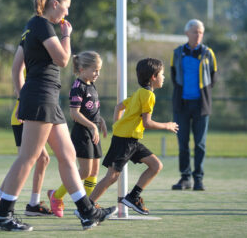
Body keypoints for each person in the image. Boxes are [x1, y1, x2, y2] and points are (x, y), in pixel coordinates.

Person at [0, 0, 115, 232]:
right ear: (55, 4)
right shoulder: (42, 24)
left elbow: (17, 68)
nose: (65, 15)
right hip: (41, 96)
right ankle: (2, 214)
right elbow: (63, 59)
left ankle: (87, 212)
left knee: (67, 156)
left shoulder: (30, 26)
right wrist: (66, 35)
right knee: (28, 157)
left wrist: (21, 95)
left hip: (46, 97)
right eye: (65, 8)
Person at [89, 58, 179, 215]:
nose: (163, 77)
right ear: (153, 77)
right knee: (112, 177)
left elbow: (119, 107)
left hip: (130, 140)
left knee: (156, 165)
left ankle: (133, 197)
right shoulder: (148, 95)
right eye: (162, 74)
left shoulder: (139, 93)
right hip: (125, 141)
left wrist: (117, 126)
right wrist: (167, 125)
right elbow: (147, 123)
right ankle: (88, 206)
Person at [48, 51, 112, 218]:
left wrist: (100, 121)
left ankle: (89, 205)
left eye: (99, 70)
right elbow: (74, 113)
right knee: (84, 171)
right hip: (82, 133)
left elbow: (91, 109)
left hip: (93, 131)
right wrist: (91, 126)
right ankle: (56, 196)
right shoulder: (78, 86)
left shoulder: (91, 84)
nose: (97, 74)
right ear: (82, 69)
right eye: (95, 70)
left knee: (94, 171)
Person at [0, 69, 52, 217]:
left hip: (34, 114)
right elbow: (18, 80)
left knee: (42, 159)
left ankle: (33, 204)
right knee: (25, 161)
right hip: (24, 116)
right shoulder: (32, 56)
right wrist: (23, 105)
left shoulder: (44, 59)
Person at [171, 19, 217, 191]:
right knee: (182, 143)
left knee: (200, 144)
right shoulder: (177, 52)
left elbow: (213, 77)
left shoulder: (208, 53)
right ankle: (185, 178)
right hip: (181, 105)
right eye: (194, 31)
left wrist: (202, 95)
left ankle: (198, 179)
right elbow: (174, 74)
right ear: (186, 33)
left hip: (201, 105)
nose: (198, 35)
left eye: (200, 32)